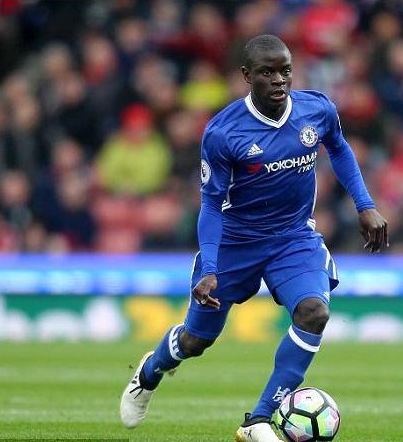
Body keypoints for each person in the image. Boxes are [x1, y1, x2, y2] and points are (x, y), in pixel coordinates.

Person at [120, 34, 388, 442]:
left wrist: (364, 204)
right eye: (267, 72)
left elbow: (339, 147)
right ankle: (149, 371)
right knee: (196, 340)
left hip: (293, 238)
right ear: (246, 76)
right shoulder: (223, 132)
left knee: (314, 312)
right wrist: (210, 268)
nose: (279, 80)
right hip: (236, 243)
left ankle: (257, 419)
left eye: (285, 71)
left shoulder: (317, 109)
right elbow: (211, 204)